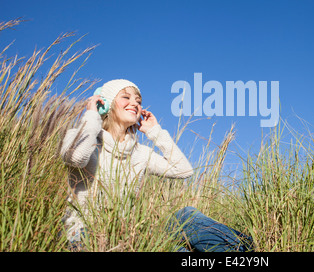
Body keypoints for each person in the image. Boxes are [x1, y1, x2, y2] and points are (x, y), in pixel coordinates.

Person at [59, 79, 253, 252]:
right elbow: (76, 157)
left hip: (128, 236)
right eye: (126, 97)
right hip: (85, 235)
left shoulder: (140, 153)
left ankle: (242, 250)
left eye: (138, 100)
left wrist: (155, 132)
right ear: (106, 104)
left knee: (186, 216)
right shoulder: (84, 138)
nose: (134, 103)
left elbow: (184, 170)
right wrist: (93, 115)